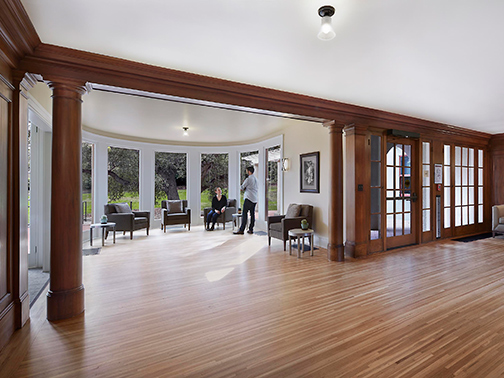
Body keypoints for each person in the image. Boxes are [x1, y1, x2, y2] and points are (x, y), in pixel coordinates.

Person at [234, 166, 258, 235]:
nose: (246, 172)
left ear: (249, 171)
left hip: (248, 198)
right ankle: (251, 229)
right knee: (252, 214)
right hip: (254, 199)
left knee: (244, 213)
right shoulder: (256, 179)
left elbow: (242, 188)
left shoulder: (248, 179)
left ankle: (242, 229)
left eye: (247, 171)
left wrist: (242, 187)